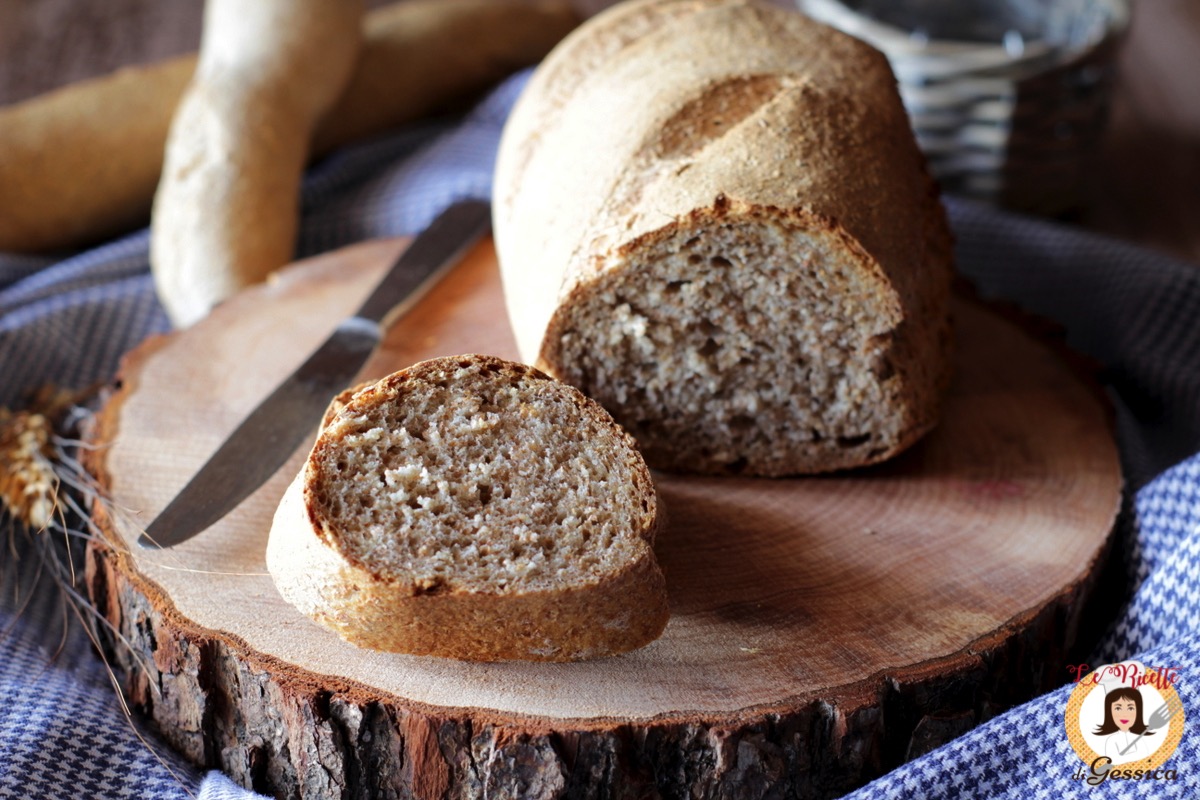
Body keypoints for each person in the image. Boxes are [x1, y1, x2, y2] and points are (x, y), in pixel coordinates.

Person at [1095, 686, 1156, 764]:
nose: (1124, 714)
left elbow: (1145, 757)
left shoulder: (1138, 738)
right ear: (1109, 712)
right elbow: (1113, 760)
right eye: (1118, 708)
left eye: (1130, 708)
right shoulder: (1111, 740)